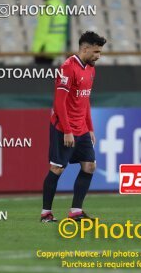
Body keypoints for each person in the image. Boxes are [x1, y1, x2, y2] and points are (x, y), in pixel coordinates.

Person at [41, 31, 107, 222]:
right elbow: (59, 103)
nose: (98, 56)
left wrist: (90, 127)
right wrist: (68, 131)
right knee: (57, 169)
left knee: (89, 166)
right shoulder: (67, 68)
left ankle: (76, 211)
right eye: (95, 52)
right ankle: (46, 213)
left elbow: (85, 100)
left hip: (82, 128)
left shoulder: (91, 69)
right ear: (84, 49)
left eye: (100, 52)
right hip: (63, 127)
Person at [32, 0, 67, 65]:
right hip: (55, 45)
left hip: (44, 47)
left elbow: (43, 28)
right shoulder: (61, 6)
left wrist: (39, 48)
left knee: (41, 74)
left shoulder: (47, 7)